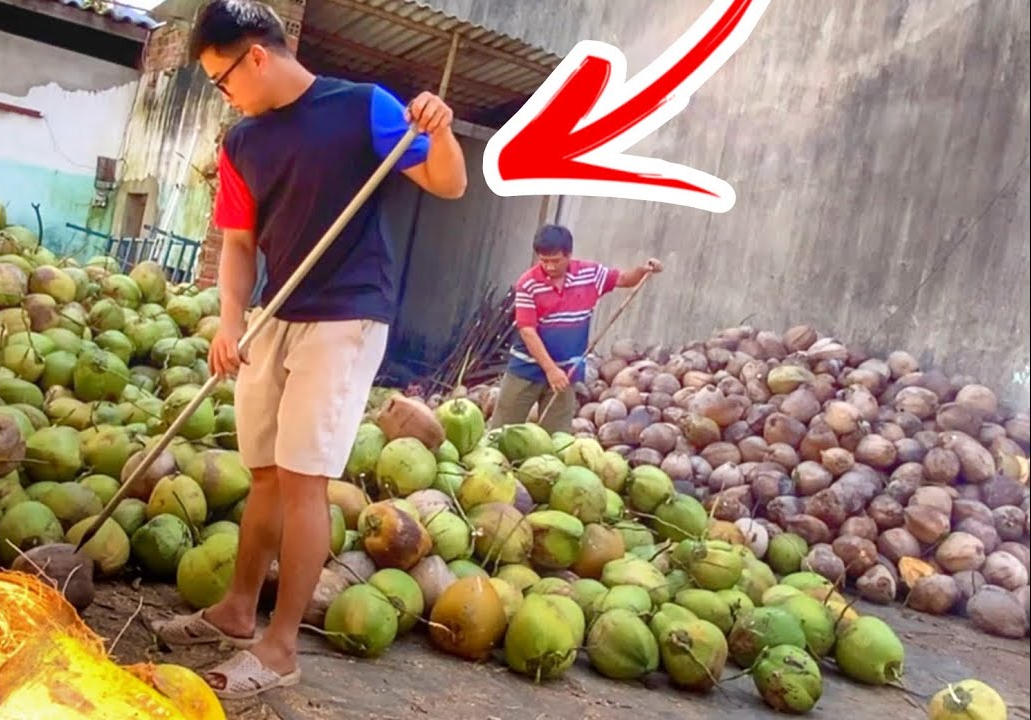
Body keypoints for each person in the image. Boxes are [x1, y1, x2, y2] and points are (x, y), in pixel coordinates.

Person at [151, 0, 467, 700]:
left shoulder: (362, 109)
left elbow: (447, 182)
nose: (223, 93)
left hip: (347, 318)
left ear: (255, 56)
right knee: (263, 472)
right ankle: (237, 611)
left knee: (302, 480)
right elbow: (237, 244)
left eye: (222, 78)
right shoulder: (242, 144)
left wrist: (439, 132)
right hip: (275, 316)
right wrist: (229, 321)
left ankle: (281, 645)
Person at [489, 224, 662, 434]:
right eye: (544, 261)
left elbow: (624, 279)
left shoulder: (589, 274)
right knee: (500, 432)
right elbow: (527, 331)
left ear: (569, 254)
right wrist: (550, 370)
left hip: (566, 371)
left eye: (555, 261)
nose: (549, 267)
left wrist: (644, 270)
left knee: (556, 437)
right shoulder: (527, 284)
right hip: (526, 369)